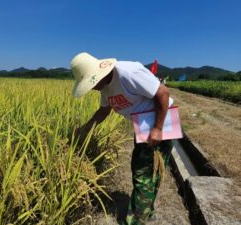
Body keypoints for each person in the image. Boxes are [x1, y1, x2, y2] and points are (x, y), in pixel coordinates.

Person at [70, 52, 174, 225]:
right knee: (145, 172)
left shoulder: (128, 73)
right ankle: (147, 212)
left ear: (98, 74)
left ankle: (135, 221)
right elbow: (104, 110)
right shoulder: (104, 86)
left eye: (91, 82)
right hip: (142, 125)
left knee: (143, 174)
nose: (92, 87)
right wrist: (84, 129)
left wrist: (157, 128)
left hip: (160, 121)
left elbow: (163, 93)